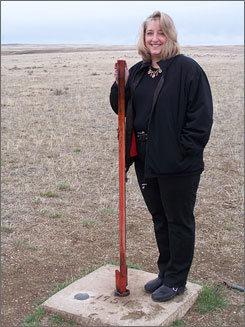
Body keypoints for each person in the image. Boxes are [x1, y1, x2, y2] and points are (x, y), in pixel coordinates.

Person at [109, 11, 213, 302]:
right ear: (143, 38)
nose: (154, 39)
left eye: (160, 33)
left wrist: (182, 152)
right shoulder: (141, 72)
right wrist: (121, 83)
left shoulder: (188, 70)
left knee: (178, 220)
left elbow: (201, 119)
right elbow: (121, 107)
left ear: (170, 36)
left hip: (178, 163)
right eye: (149, 33)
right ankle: (166, 272)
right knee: (159, 217)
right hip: (146, 158)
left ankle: (178, 280)